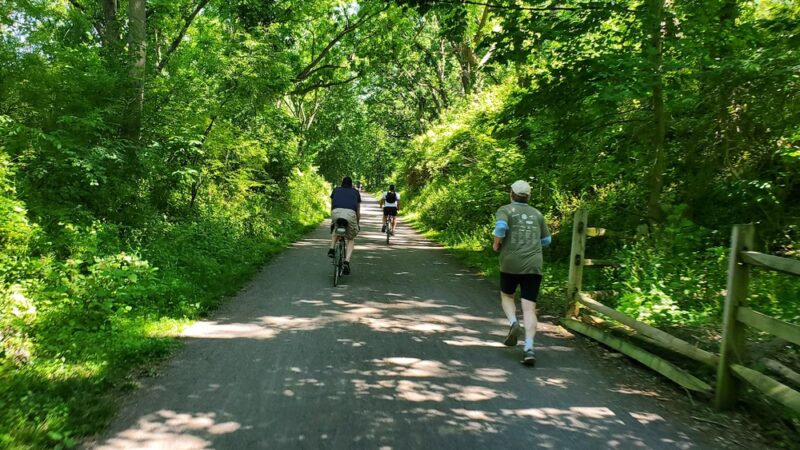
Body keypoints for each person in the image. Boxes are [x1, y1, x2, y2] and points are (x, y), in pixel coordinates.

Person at [492, 180, 551, 366]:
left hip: (510, 262)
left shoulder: (505, 210)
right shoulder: (537, 214)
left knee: (507, 295)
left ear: (511, 194)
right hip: (534, 265)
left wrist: (496, 243)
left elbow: (501, 227)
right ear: (528, 196)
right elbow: (547, 240)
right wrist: (531, 244)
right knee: (529, 307)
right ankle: (529, 348)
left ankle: (513, 323)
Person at [328, 176, 361, 274]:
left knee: (335, 228)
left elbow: (332, 205)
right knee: (350, 238)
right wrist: (357, 223)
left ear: (342, 183)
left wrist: (333, 220)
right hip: (350, 214)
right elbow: (358, 211)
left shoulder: (336, 190)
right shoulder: (356, 192)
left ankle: (332, 249)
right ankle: (346, 261)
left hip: (336, 212)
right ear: (351, 184)